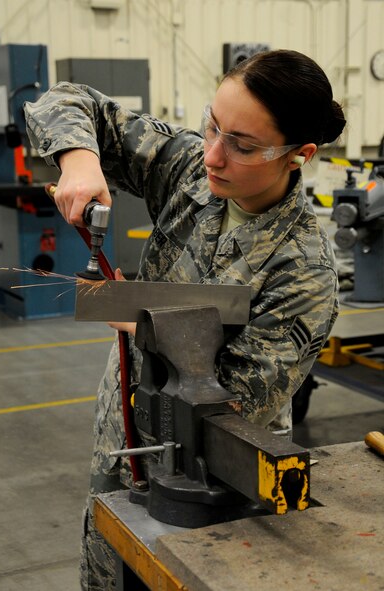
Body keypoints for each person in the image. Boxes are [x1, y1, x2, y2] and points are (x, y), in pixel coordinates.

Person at [24, 49, 346, 590]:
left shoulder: (303, 270)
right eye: (212, 126)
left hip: (211, 488)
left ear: (299, 153)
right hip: (121, 440)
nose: (214, 155)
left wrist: (146, 327)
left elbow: (233, 405)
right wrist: (80, 157)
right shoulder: (189, 168)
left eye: (242, 145)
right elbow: (65, 99)